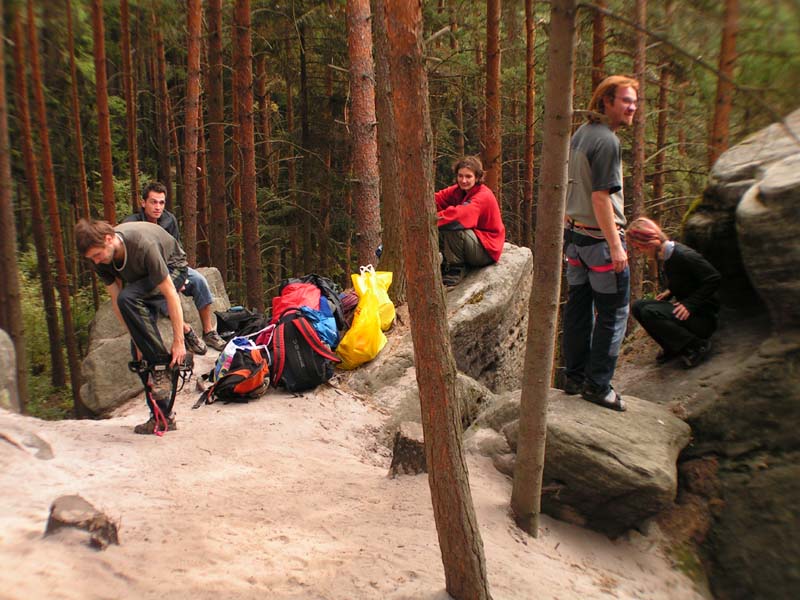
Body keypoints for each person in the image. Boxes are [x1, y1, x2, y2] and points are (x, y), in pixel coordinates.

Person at [561, 75, 639, 412]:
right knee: (614, 314)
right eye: (625, 100)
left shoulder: (582, 133)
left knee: (578, 308)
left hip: (575, 239)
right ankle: (598, 386)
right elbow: (600, 198)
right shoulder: (606, 141)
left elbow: (571, 181)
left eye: (634, 101)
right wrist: (617, 245)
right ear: (606, 101)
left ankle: (575, 376)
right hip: (599, 243)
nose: (632, 107)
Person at [76, 218, 190, 434]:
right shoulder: (99, 257)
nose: (97, 261)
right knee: (138, 356)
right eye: (92, 258)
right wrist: (136, 338)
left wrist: (179, 342)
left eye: (97, 255)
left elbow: (170, 294)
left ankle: (162, 364)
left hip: (173, 268)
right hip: (141, 282)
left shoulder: (142, 245)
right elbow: (115, 297)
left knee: (129, 297)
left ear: (109, 240)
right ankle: (162, 417)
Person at [123, 182, 226, 353]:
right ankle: (187, 330)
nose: (158, 207)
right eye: (153, 202)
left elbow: (176, 251)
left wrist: (181, 276)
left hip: (172, 268)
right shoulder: (131, 225)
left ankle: (208, 331)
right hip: (147, 275)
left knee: (200, 281)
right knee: (163, 293)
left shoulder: (169, 220)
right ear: (143, 203)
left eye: (161, 203)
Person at [627, 217, 721, 368]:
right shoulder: (666, 256)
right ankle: (673, 346)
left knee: (651, 312)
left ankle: (697, 346)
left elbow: (713, 278)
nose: (639, 252)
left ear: (651, 242)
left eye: (639, 247)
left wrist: (689, 304)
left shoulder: (683, 255)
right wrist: (670, 292)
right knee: (638, 306)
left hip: (703, 317)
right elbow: (687, 279)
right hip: (691, 314)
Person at [435, 156, 506, 286]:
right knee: (441, 227)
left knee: (453, 226)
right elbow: (436, 199)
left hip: (487, 250)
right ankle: (447, 262)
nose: (464, 180)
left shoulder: (483, 195)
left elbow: (460, 216)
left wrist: (433, 219)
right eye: (460, 176)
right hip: (476, 243)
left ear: (477, 177)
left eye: (468, 177)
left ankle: (456, 268)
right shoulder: (457, 190)